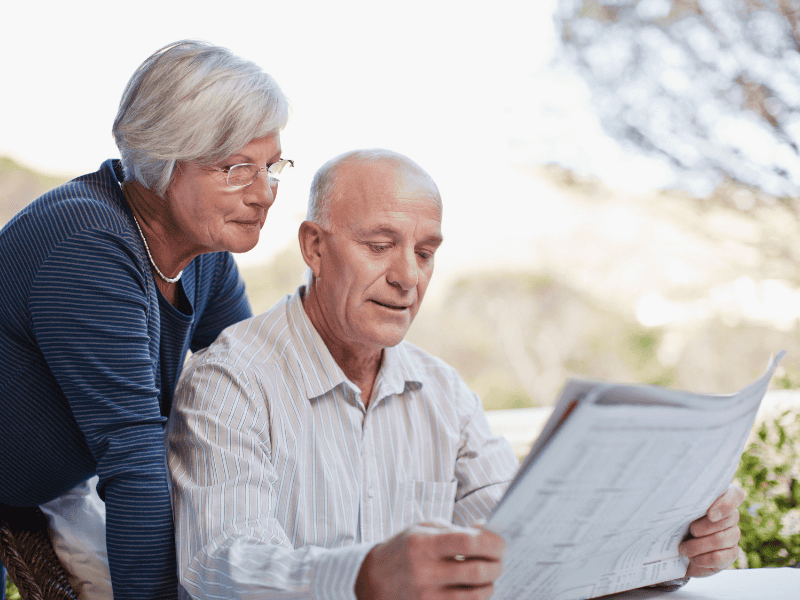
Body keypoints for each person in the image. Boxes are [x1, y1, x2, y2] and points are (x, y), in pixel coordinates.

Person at [166, 149, 745, 599]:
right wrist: (365, 577)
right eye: (379, 245)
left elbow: (527, 551)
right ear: (314, 248)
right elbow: (220, 566)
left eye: (425, 253)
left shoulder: (443, 392)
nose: (407, 278)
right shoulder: (229, 381)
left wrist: (672, 549)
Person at [0, 40, 292, 599]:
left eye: (271, 166)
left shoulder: (205, 254)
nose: (265, 194)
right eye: (236, 169)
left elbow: (253, 394)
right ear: (164, 160)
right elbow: (134, 459)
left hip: (46, 488)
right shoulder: (87, 247)